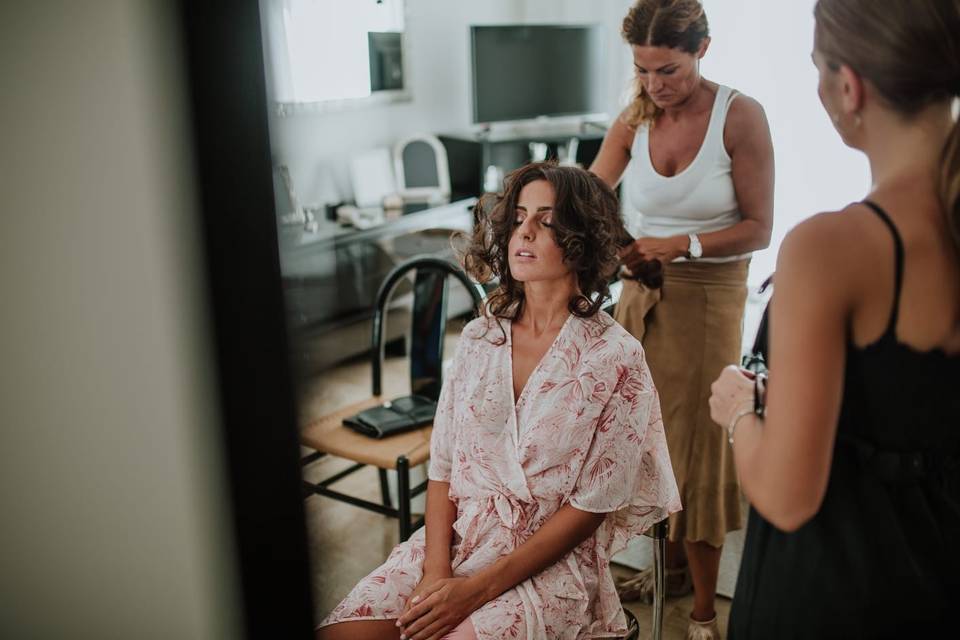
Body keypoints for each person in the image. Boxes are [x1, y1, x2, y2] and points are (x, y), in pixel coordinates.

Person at [316, 162, 681, 640]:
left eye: (546, 221)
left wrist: (474, 592)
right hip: (456, 540)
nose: (523, 232)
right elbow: (443, 466)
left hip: (547, 566)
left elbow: (590, 510)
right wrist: (435, 573)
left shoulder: (617, 358)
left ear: (581, 239)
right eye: (519, 217)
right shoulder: (479, 338)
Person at [708, 0, 960, 637]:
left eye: (818, 71)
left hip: (836, 600)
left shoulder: (831, 249)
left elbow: (789, 497)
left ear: (849, 88)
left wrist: (739, 408)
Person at [589, 1, 774, 637]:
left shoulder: (739, 116)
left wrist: (682, 243)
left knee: (698, 450)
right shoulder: (636, 115)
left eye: (668, 69)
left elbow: (760, 227)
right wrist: (608, 242)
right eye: (642, 71)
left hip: (711, 295)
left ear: (703, 50)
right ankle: (664, 562)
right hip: (645, 292)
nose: (655, 85)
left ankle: (700, 614)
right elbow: (592, 195)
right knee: (649, 438)